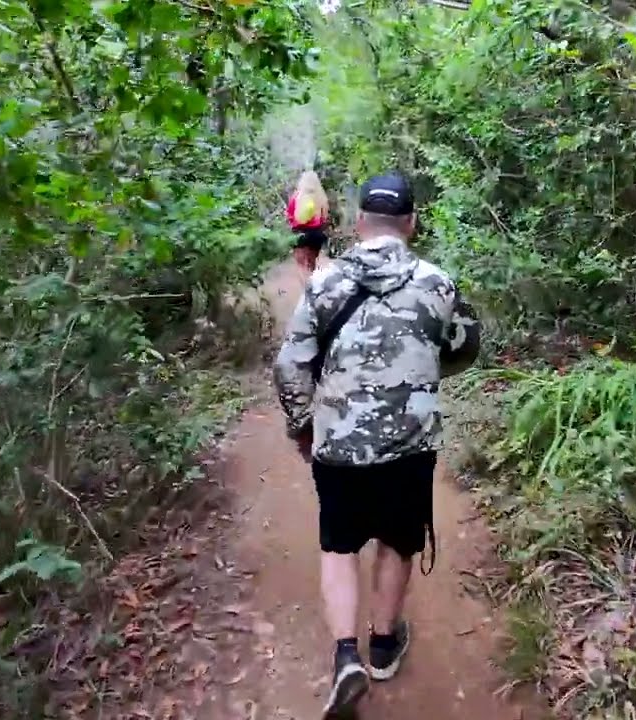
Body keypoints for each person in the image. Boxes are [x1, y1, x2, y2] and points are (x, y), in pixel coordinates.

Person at [272, 172, 481, 718]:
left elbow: (291, 365)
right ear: (410, 223)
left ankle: (346, 657)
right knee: (397, 540)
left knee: (339, 546)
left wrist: (302, 427)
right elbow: (465, 347)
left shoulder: (324, 283)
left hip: (338, 444)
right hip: (409, 445)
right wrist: (419, 369)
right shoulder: (438, 283)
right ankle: (384, 646)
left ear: (359, 221)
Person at [287, 169, 331, 273]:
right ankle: (312, 278)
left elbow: (290, 216)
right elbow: (324, 218)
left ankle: (305, 280)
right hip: (316, 235)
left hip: (300, 234)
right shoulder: (321, 198)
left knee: (301, 266)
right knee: (312, 264)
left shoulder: (296, 197)